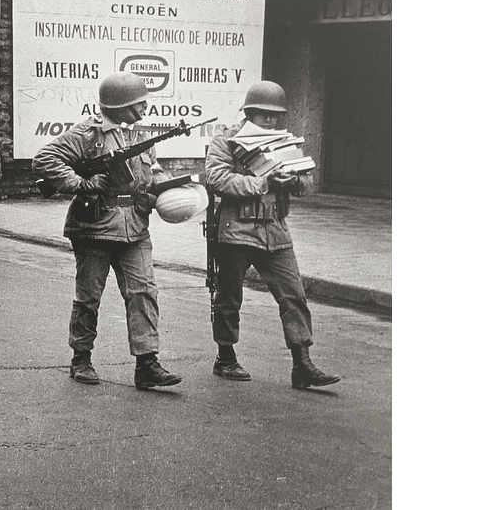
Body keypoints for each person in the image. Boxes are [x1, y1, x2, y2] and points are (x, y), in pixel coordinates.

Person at [32, 72, 182, 390]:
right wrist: (82, 183)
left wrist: (168, 189)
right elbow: (46, 159)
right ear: (120, 105)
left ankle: (147, 364)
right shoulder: (89, 132)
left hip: (135, 226)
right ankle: (81, 359)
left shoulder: (142, 135)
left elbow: (152, 172)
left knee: (143, 293)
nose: (145, 107)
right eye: (138, 103)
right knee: (89, 297)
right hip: (94, 226)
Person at [205, 81, 341, 389]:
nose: (269, 120)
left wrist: (293, 181)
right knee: (229, 296)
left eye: (274, 115)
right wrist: (265, 182)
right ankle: (225, 357)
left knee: (294, 295)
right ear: (250, 111)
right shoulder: (228, 139)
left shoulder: (286, 141)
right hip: (237, 229)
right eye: (262, 114)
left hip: (275, 229)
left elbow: (306, 183)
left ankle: (302, 364)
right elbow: (217, 179)